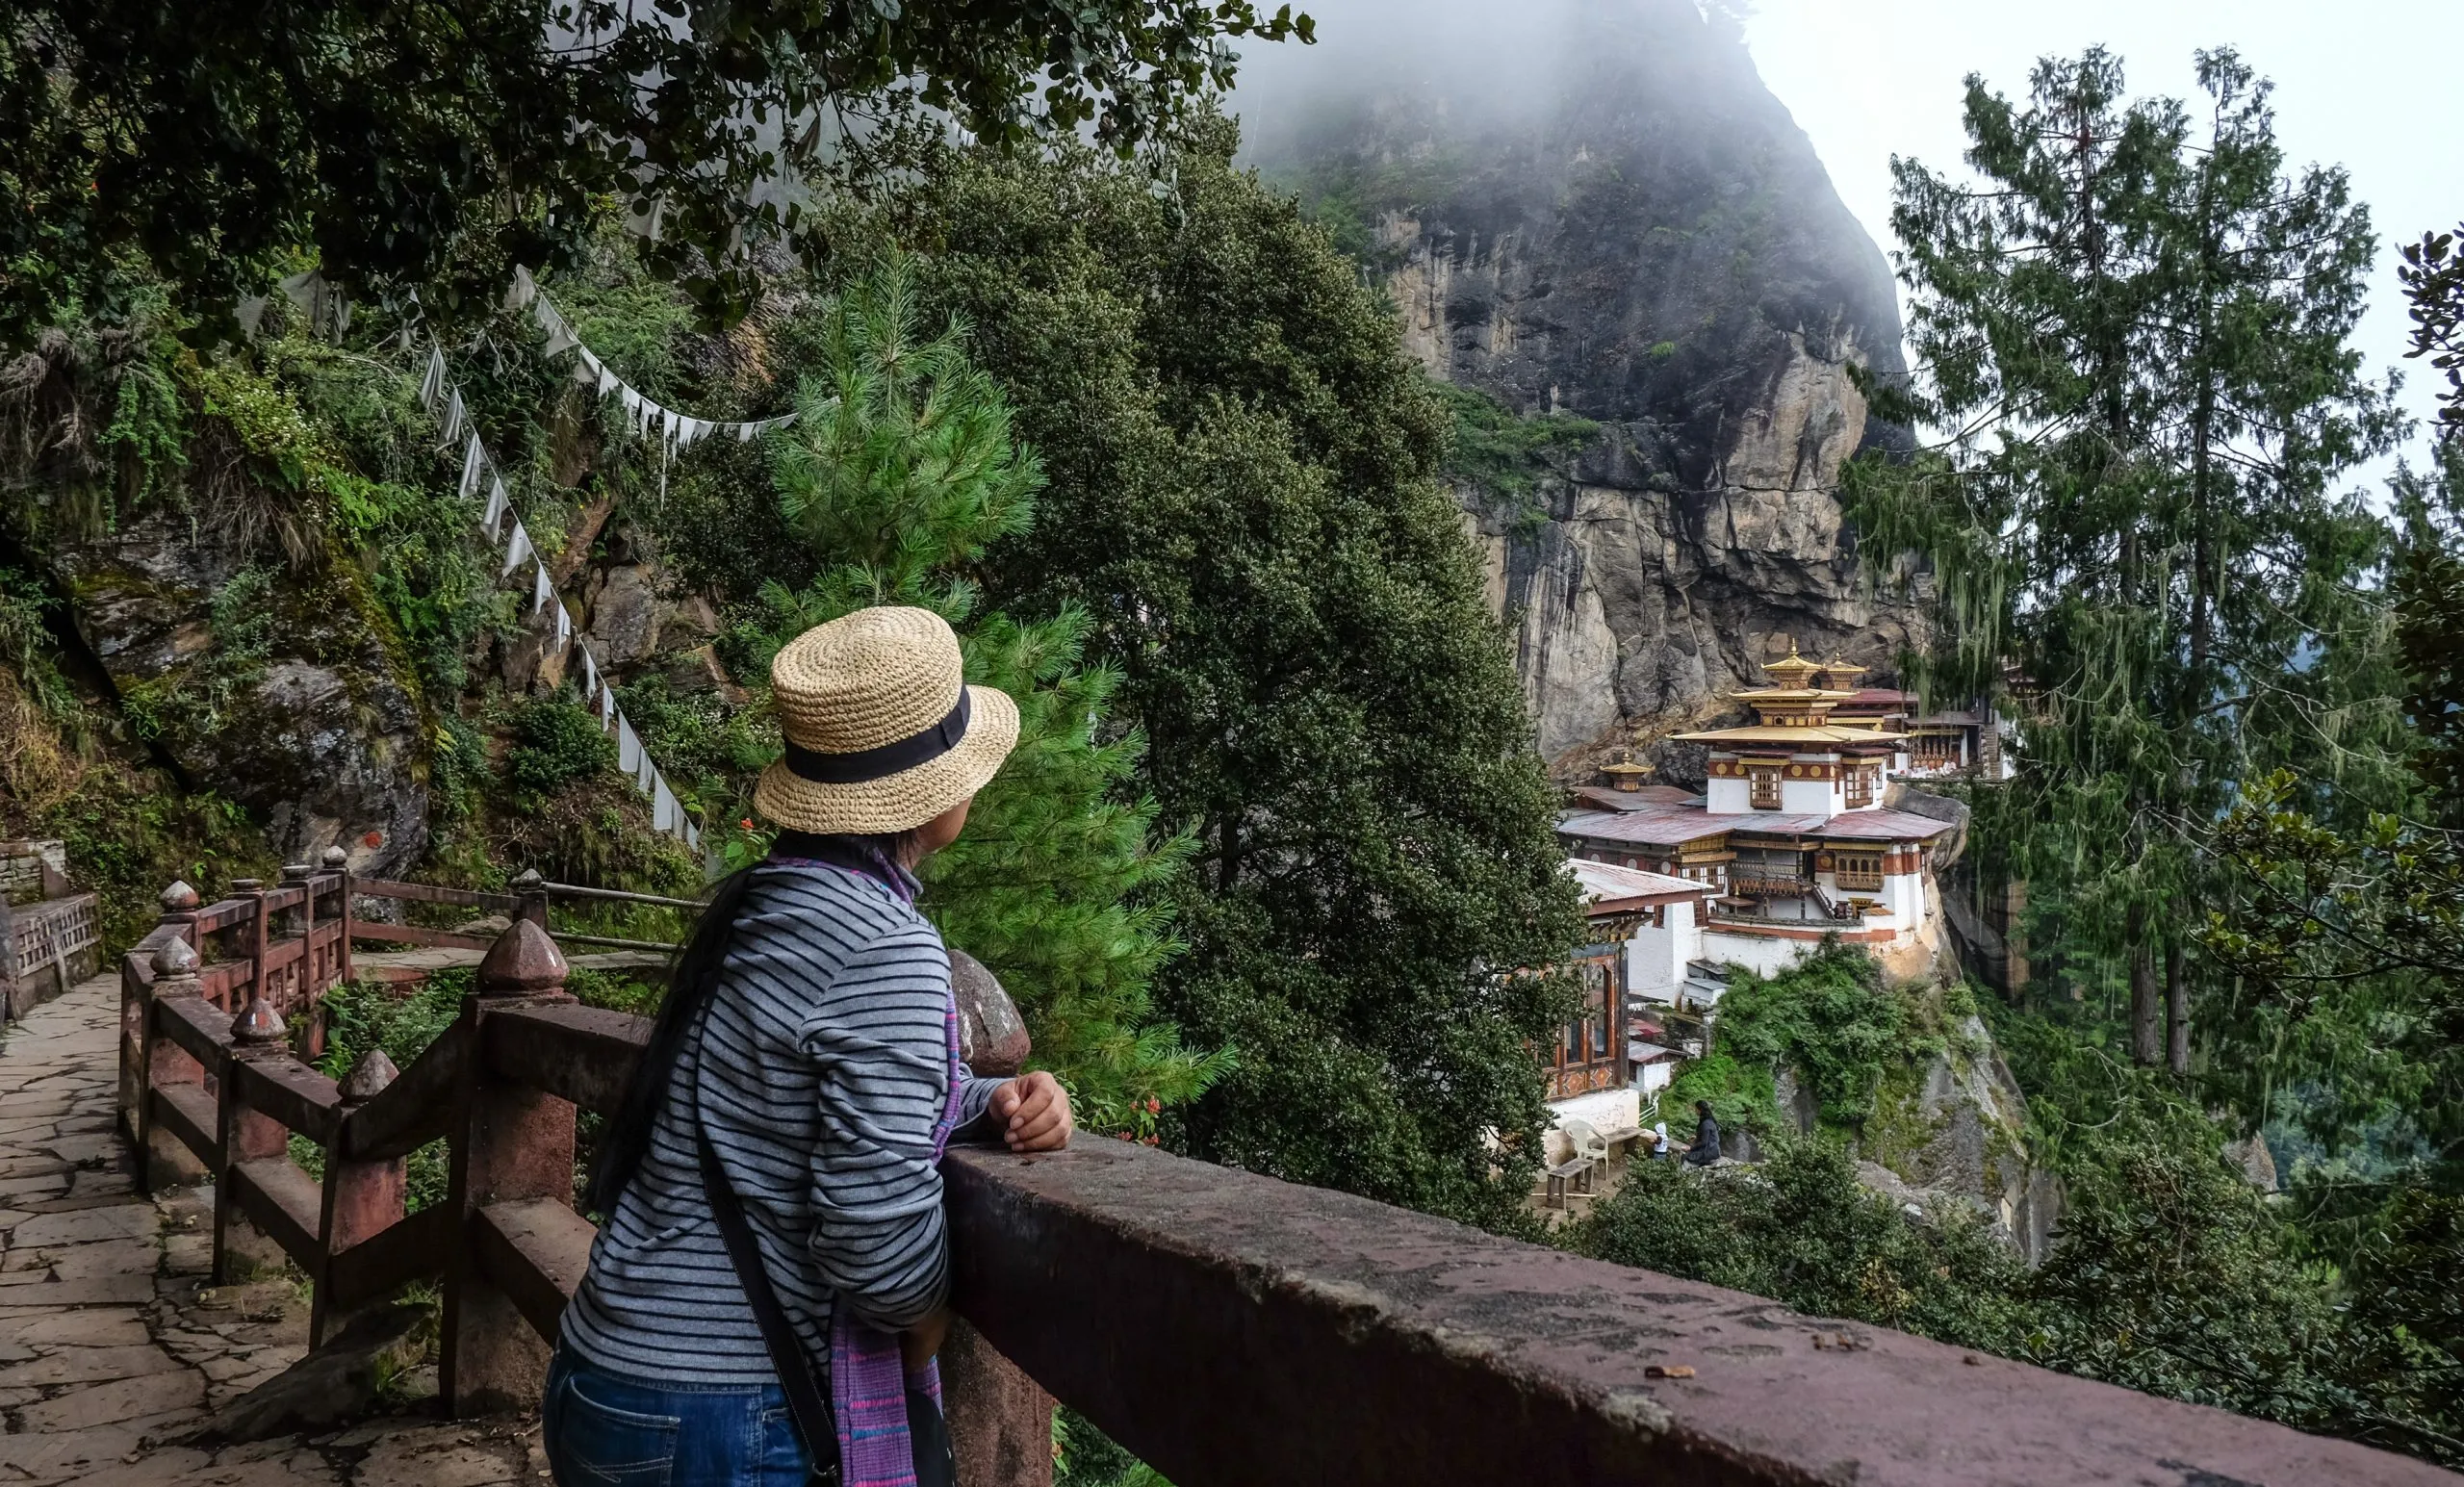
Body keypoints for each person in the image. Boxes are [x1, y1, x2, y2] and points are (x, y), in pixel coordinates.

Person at [545, 606, 1073, 1487]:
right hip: (718, 1417)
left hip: (601, 1372)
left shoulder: (764, 904)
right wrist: (935, 1312)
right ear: (934, 789)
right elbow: (881, 1256)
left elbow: (776, 1090)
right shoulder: (886, 946)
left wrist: (991, 1105)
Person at [1681, 1099, 1722, 1167]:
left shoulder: (1706, 1124)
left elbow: (1704, 1142)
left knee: (1686, 1159)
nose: (1695, 1111)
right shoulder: (1710, 1120)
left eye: (1696, 1109)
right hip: (1712, 1149)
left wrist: (1690, 1148)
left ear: (1699, 1110)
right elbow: (1708, 1137)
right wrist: (1697, 1137)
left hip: (1709, 1152)